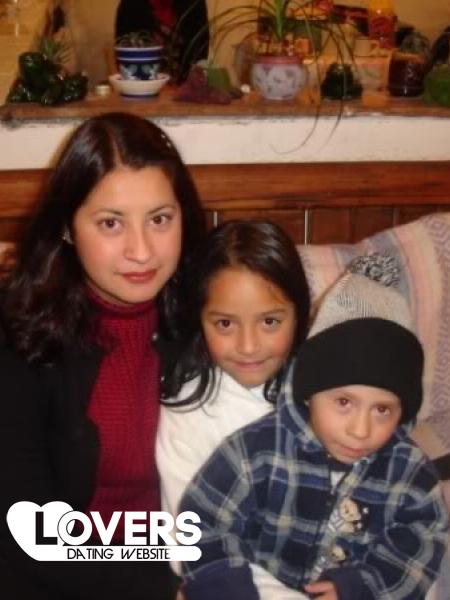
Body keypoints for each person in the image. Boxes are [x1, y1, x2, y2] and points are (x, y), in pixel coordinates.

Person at [0, 112, 205, 600]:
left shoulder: (213, 318)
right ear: (67, 229)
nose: (142, 250)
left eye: (160, 219)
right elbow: (33, 533)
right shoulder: (19, 336)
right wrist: (165, 584)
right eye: (111, 223)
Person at [179, 254, 449, 600]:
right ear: (309, 394)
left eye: (382, 409)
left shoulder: (410, 471)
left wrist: (362, 586)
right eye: (344, 402)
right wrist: (226, 588)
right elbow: (202, 519)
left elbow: (424, 542)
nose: (361, 430)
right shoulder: (255, 451)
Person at [156, 220, 310, 535]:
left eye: (270, 321)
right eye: (225, 324)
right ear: (200, 321)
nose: (248, 346)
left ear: (299, 315)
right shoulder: (189, 415)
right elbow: (185, 537)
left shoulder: (324, 387)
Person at [115, 0, 209, 81]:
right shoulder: (130, 5)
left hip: (185, 89)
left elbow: (200, 55)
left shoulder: (194, 4)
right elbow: (125, 59)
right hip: (141, 87)